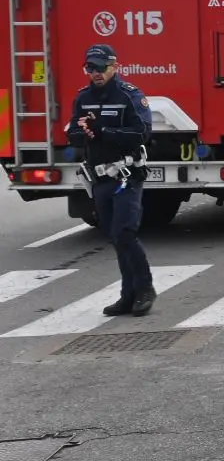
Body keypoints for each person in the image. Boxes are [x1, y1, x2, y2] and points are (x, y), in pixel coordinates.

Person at [65, 43, 156, 316]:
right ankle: (127, 295)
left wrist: (103, 130)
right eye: (90, 68)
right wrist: (83, 134)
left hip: (127, 175)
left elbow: (143, 134)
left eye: (101, 68)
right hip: (100, 177)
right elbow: (73, 135)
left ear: (114, 67)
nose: (95, 73)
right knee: (115, 236)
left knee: (125, 232)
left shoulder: (129, 96)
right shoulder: (82, 98)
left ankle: (144, 290)